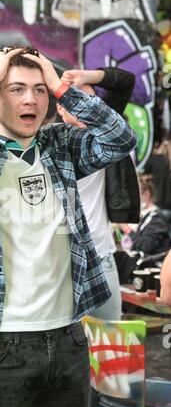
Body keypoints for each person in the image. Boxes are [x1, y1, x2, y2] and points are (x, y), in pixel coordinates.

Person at [0, 46, 137, 407]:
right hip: (0, 342)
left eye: (39, 90)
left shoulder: (59, 145)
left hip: (69, 336)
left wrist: (62, 87)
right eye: (16, 89)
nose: (31, 99)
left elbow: (121, 139)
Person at [57, 67, 139, 320]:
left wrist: (85, 77)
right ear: (61, 108)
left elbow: (126, 81)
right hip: (63, 260)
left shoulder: (106, 137)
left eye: (91, 103)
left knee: (110, 337)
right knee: (69, 342)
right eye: (77, 102)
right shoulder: (50, 142)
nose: (86, 109)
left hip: (102, 254)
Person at [119, 177, 170, 256]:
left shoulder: (157, 219)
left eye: (133, 195)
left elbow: (146, 246)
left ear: (146, 194)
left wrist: (126, 229)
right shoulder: (144, 216)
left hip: (148, 263)